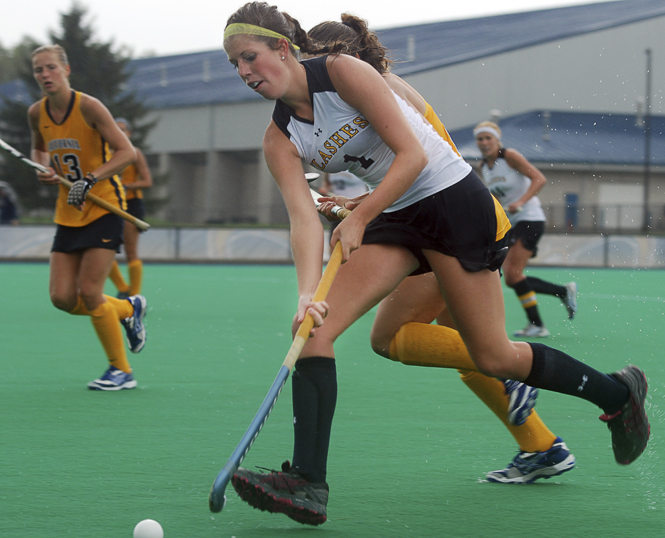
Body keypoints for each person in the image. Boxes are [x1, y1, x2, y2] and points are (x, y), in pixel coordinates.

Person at [223, 2, 649, 526]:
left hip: (450, 201)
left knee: (492, 356)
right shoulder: (279, 138)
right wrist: (306, 295)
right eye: (234, 65)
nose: (243, 72)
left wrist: (361, 217)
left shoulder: (341, 72)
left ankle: (617, 394)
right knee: (317, 330)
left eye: (249, 57)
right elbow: (302, 221)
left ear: (282, 49)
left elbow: (414, 156)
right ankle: (308, 483)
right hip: (398, 214)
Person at [309, 14, 574, 486]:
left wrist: (365, 212)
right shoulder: (376, 86)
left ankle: (518, 372)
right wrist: (359, 202)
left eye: (317, 60)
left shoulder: (378, 87)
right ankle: (541, 446)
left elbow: (419, 165)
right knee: (461, 347)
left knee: (396, 338)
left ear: (339, 58)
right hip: (452, 216)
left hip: (445, 223)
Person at [28, 44, 148, 391]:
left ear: (66, 70)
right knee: (62, 298)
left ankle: (121, 371)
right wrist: (43, 166)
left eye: (50, 67)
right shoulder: (37, 112)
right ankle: (128, 310)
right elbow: (39, 148)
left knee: (91, 293)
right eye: (38, 70)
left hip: (104, 207)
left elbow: (126, 152)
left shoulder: (90, 107)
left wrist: (90, 179)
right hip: (68, 214)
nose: (45, 75)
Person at [475, 121, 577, 338]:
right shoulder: (484, 166)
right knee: (512, 278)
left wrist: (521, 201)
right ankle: (561, 293)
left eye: (488, 138)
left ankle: (539, 324)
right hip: (513, 223)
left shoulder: (509, 156)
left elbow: (539, 179)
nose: (484, 143)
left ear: (497, 140)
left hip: (530, 219)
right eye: (480, 139)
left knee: (513, 274)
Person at [107, 118, 153, 299]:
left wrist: (127, 185)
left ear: (130, 133)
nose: (120, 132)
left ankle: (135, 296)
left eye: (123, 129)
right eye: (116, 129)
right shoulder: (104, 153)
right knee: (103, 249)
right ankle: (123, 287)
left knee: (131, 251)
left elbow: (147, 181)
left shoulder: (135, 153)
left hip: (130, 205)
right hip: (109, 204)